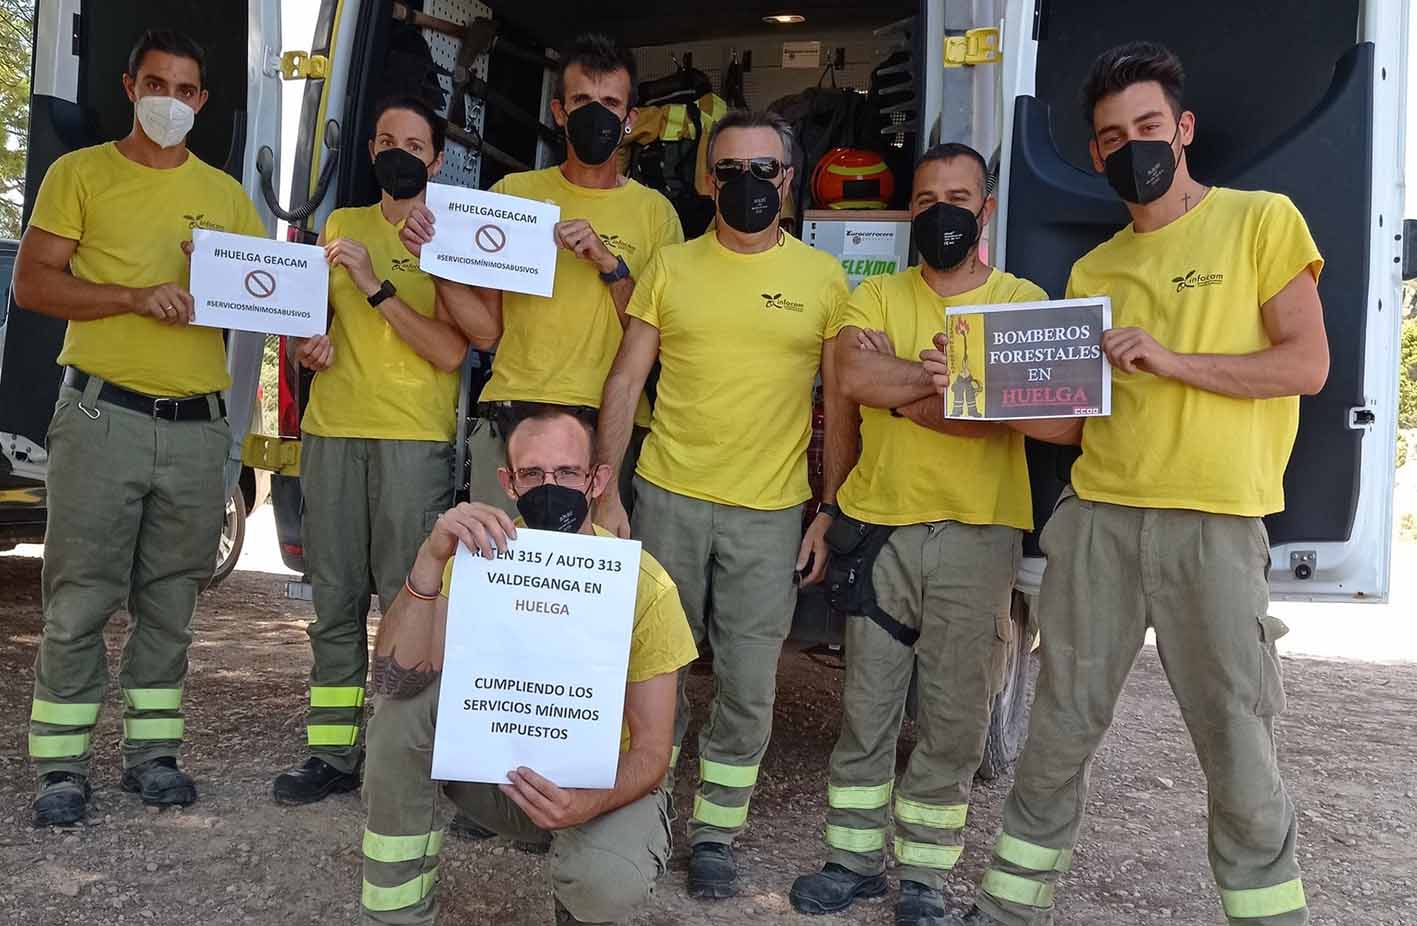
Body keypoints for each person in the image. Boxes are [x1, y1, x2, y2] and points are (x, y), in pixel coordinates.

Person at [924, 42, 1327, 926]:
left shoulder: (1262, 221)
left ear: (1180, 130)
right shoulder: (1093, 272)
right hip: (1098, 521)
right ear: (1097, 154)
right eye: (1111, 137)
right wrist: (974, 386)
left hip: (1212, 526)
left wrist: (1171, 359)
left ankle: (1270, 915)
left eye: (1147, 126)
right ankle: (1008, 908)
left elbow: (1305, 364)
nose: (1131, 146)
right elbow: (1067, 428)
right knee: (1058, 731)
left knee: (1235, 740)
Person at [594, 108, 850, 899]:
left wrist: (828, 509)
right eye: (729, 171)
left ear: (788, 180)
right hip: (667, 496)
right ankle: (644, 812)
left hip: (769, 513)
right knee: (648, 670)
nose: (746, 185)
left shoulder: (823, 279)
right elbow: (625, 379)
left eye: (762, 171)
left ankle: (715, 835)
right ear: (709, 180)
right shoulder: (671, 266)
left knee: (747, 681)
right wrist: (606, 489)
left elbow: (839, 403)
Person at [14, 29, 266, 826]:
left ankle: (153, 757)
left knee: (171, 606)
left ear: (201, 102)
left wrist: (258, 287)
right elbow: (31, 286)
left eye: (186, 90)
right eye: (156, 84)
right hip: (101, 416)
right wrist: (130, 295)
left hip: (196, 430)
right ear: (129, 86)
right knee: (79, 598)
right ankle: (61, 766)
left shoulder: (226, 197)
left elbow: (264, 299)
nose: (170, 101)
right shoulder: (80, 174)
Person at [788, 144, 1044, 925]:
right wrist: (958, 383)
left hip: (979, 535)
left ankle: (925, 880)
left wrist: (905, 381)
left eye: (958, 197)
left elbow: (1022, 415)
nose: (942, 212)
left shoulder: (1022, 300)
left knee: (954, 716)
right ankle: (852, 861)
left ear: (985, 210)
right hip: (881, 526)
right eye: (927, 197)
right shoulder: (873, 296)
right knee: (865, 709)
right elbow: (852, 382)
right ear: (909, 210)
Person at [358, 404, 698, 926]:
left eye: (566, 473)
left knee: (606, 884)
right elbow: (392, 681)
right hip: (496, 775)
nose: (550, 485)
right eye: (533, 474)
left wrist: (587, 804)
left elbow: (653, 752)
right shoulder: (476, 560)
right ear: (508, 483)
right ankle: (395, 914)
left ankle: (582, 884)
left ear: (597, 480)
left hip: (599, 786)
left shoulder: (644, 587)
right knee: (401, 710)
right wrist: (430, 559)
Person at [270, 96, 470, 804]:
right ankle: (330, 753)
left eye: (414, 144)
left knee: (407, 599)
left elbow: (451, 349)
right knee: (334, 599)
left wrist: (375, 285)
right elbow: (303, 328)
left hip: (412, 440)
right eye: (385, 139)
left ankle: (401, 748)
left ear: (437, 159)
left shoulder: (450, 232)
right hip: (332, 433)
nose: (398, 153)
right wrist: (308, 350)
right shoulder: (340, 224)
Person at [399, 33, 682, 515]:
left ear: (630, 119)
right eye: (581, 101)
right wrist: (437, 263)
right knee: (498, 579)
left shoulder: (657, 214)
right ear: (558, 112)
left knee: (589, 585)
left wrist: (609, 264)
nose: (596, 114)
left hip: (604, 429)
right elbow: (487, 334)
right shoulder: (512, 194)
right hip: (510, 416)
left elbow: (658, 340)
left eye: (611, 103)